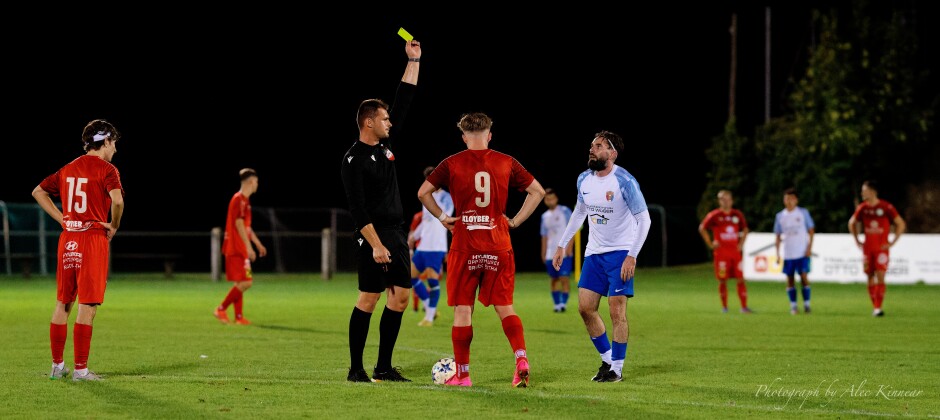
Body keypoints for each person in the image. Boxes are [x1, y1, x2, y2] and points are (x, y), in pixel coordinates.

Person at [418, 112, 545, 388]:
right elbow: (537, 191)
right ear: (489, 135)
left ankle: (462, 375)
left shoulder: (451, 163)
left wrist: (442, 217)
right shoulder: (506, 161)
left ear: (464, 137)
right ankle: (521, 358)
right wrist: (515, 221)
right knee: (505, 306)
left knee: (463, 310)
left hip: (465, 244)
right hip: (498, 243)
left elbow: (423, 192)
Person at [340, 38, 422, 383]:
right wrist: (375, 243)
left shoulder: (385, 146)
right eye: (384, 119)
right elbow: (357, 208)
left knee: (401, 297)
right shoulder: (353, 159)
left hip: (396, 231)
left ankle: (384, 367)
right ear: (369, 122)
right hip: (372, 235)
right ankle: (355, 368)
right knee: (370, 297)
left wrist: (414, 61)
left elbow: (403, 102)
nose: (390, 122)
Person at [552, 130, 652, 384]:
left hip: (620, 252)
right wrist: (561, 245)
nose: (592, 150)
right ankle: (607, 359)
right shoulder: (583, 179)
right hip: (594, 253)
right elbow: (579, 213)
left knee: (617, 311)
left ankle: (616, 369)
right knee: (585, 309)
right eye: (592, 146)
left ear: (612, 153)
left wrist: (632, 255)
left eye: (598, 146)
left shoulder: (625, 181)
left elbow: (644, 219)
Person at [32, 119, 125, 381]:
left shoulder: (68, 168)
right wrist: (114, 225)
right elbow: (117, 201)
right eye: (114, 143)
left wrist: (62, 218)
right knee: (88, 304)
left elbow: (38, 191)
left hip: (68, 238)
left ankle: (57, 367)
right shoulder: (108, 170)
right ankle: (81, 370)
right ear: (105, 141)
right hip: (92, 238)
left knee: (63, 302)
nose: (115, 149)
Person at [213, 168, 267, 325]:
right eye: (256, 181)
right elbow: (238, 224)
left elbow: (247, 227)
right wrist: (249, 247)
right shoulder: (238, 199)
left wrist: (258, 244)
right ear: (251, 181)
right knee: (246, 282)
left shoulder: (245, 201)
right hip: (235, 249)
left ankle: (238, 317)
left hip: (242, 250)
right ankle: (221, 309)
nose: (257, 184)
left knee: (243, 281)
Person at [848, 180, 906, 317]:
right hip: (868, 248)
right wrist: (857, 240)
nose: (862, 193)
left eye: (865, 190)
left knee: (880, 275)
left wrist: (892, 242)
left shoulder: (886, 207)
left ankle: (878, 308)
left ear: (872, 191)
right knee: (869, 276)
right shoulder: (863, 208)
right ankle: (875, 306)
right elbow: (851, 223)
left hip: (881, 248)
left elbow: (900, 224)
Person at [410, 166, 453, 326]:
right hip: (423, 245)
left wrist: (430, 198)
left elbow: (443, 216)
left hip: (436, 246)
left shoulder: (446, 198)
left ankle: (428, 318)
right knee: (412, 277)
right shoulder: (426, 197)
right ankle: (430, 307)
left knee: (432, 281)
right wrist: (414, 236)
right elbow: (426, 220)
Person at [698, 190, 752, 314]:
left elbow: (745, 229)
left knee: (740, 278)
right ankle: (725, 307)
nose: (725, 201)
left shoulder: (737, 215)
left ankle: (744, 307)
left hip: (735, 253)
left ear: (732, 200)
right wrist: (711, 244)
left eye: (727, 199)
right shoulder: (714, 215)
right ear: (719, 201)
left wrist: (741, 244)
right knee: (722, 280)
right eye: (722, 199)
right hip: (721, 254)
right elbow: (702, 228)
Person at [773, 187, 815, 315]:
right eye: (786, 199)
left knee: (803, 276)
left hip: (801, 252)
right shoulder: (780, 216)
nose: (789, 201)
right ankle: (793, 306)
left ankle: (807, 304)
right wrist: (778, 254)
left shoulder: (803, 213)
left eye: (791, 199)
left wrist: (809, 248)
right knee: (790, 279)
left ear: (796, 200)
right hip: (789, 253)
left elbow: (811, 231)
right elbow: (778, 236)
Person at [540, 188, 574, 313]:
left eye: (552, 198)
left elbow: (572, 229)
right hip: (550, 253)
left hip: (564, 253)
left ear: (556, 199)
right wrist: (543, 253)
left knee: (564, 278)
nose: (550, 201)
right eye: (547, 199)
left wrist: (569, 247)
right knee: (554, 279)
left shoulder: (565, 211)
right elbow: (544, 236)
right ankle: (556, 304)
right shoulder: (544, 216)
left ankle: (563, 304)